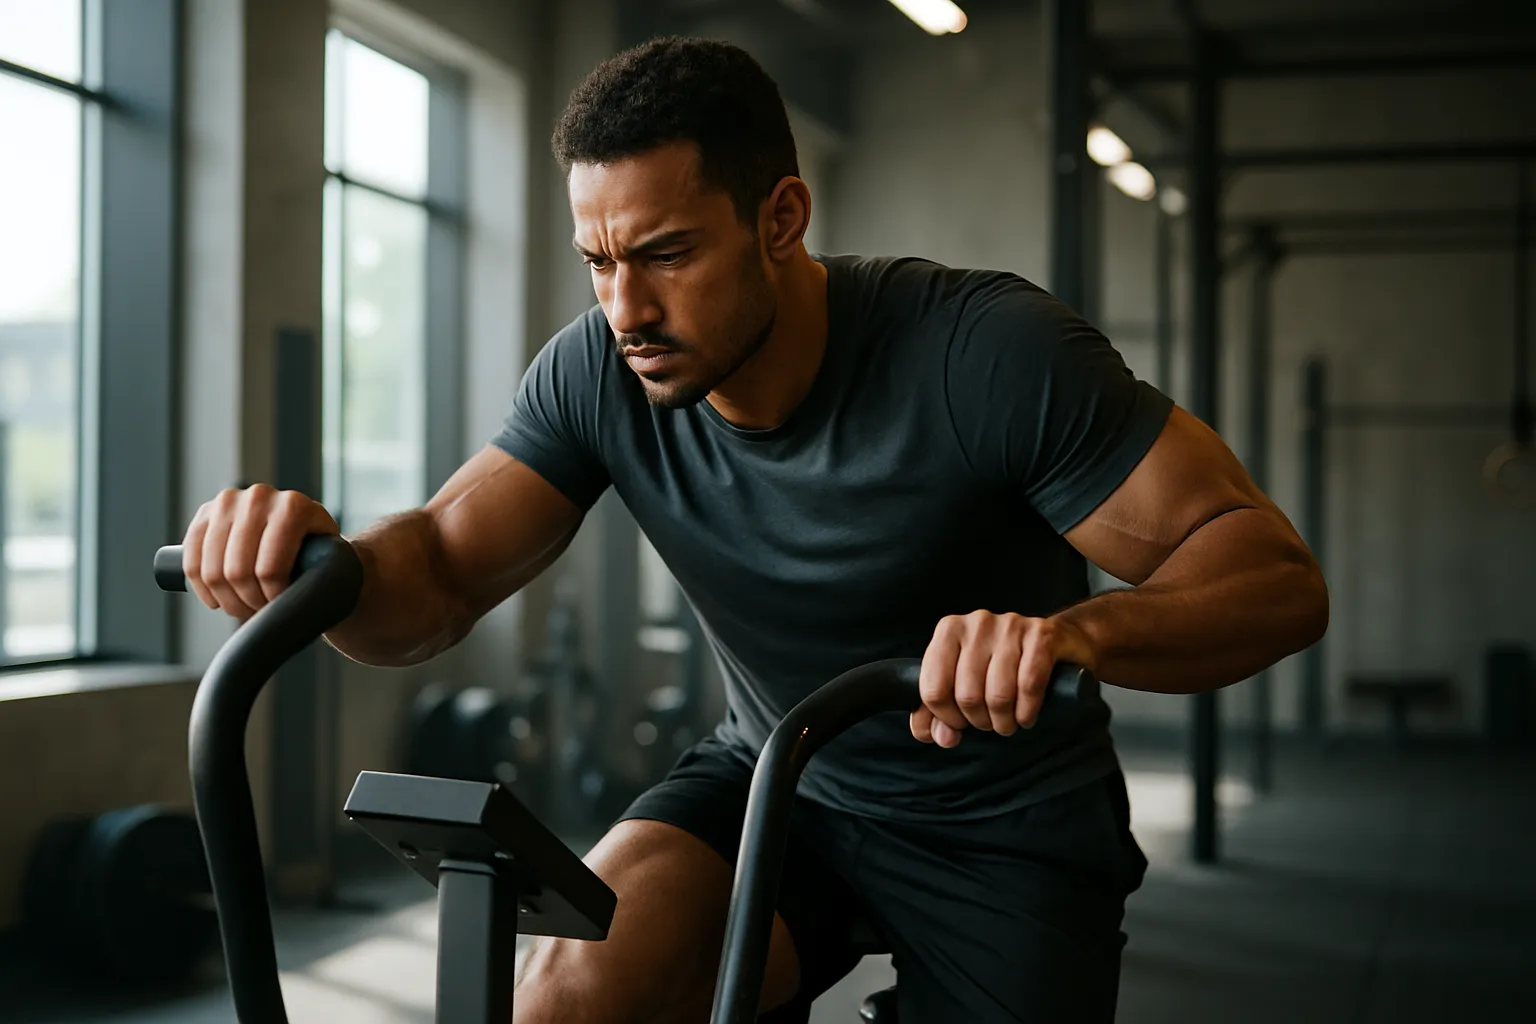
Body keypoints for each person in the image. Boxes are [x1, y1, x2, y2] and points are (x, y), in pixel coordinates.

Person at [180, 36, 1328, 1024]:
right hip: (782, 776)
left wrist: (1079, 635)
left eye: (668, 254)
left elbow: (1270, 573)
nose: (626, 309)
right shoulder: (601, 371)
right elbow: (430, 575)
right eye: (600, 262)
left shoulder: (983, 354)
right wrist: (316, 565)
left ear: (781, 217)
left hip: (1001, 827)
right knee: (571, 993)